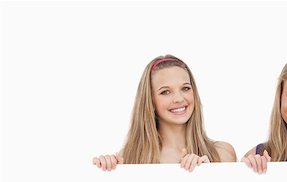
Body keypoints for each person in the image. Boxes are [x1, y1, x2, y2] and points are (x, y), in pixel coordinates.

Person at [93, 55, 237, 172]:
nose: (179, 98)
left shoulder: (222, 154)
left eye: (185, 88)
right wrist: (105, 171)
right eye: (165, 92)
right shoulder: (129, 158)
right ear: (151, 101)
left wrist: (210, 175)